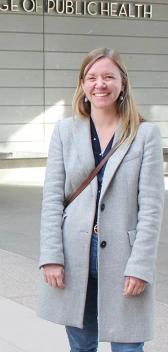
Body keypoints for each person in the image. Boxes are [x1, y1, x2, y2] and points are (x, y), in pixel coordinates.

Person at [38, 48, 164, 351]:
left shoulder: (145, 134)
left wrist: (141, 265)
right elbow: (53, 197)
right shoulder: (65, 131)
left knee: (128, 347)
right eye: (92, 78)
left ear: (122, 83)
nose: (100, 84)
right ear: (82, 85)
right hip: (74, 255)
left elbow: (151, 207)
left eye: (109, 77)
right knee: (81, 347)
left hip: (124, 258)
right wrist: (51, 256)